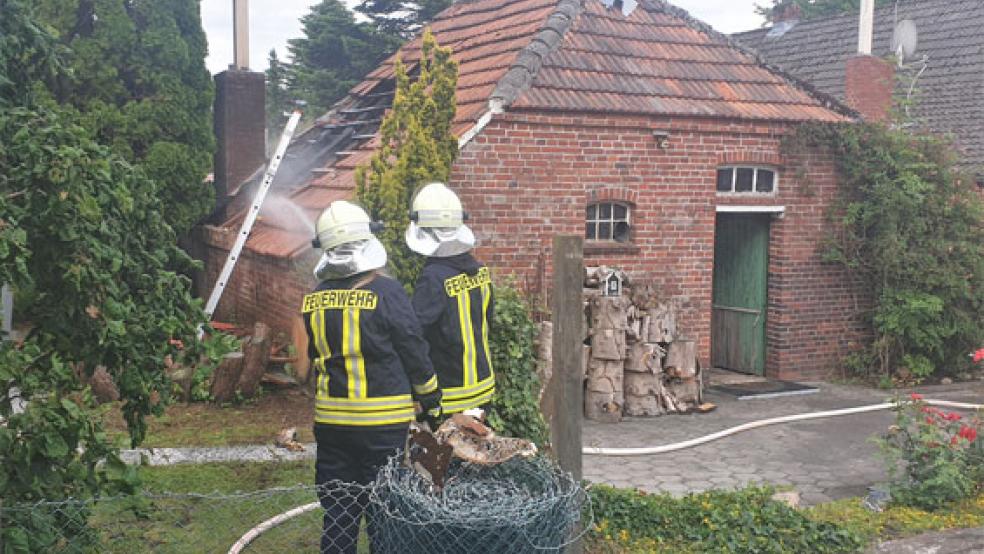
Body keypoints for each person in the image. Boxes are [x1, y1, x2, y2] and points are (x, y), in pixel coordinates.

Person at [303, 200, 441, 554]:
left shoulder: (314, 300)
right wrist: (431, 400)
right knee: (385, 514)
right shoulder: (387, 292)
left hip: (332, 426)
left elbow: (315, 358)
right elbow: (413, 348)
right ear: (366, 240)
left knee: (339, 513)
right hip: (382, 429)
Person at [405, 182, 496, 416]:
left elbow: (415, 337)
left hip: (450, 396)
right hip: (483, 389)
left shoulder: (433, 278)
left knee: (443, 452)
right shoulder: (480, 272)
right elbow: (487, 322)